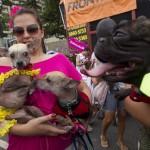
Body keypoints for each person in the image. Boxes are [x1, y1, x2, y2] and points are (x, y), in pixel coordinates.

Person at [0, 8, 91, 150]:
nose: (26, 35)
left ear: (42, 32)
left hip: (64, 143)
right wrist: (24, 130)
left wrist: (83, 114)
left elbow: (83, 87)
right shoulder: (3, 66)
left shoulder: (60, 59)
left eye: (32, 29)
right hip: (22, 145)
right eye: (19, 31)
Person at [100, 82, 129, 150]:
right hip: (111, 89)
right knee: (109, 118)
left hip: (125, 89)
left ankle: (120, 140)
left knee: (122, 115)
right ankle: (103, 135)